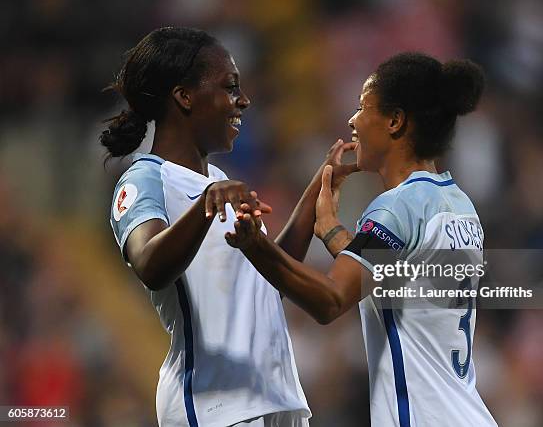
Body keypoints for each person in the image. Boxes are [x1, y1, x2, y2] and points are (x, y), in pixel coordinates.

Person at [101, 27, 357, 427]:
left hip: (275, 398)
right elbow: (149, 264)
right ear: (184, 96)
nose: (244, 100)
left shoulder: (216, 181)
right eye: (230, 86)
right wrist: (205, 206)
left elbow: (270, 278)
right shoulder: (146, 179)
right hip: (213, 406)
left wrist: (320, 182)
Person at [226, 52, 498, 426]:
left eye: (362, 107)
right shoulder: (458, 205)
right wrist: (334, 233)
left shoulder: (396, 207)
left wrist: (256, 246)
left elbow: (331, 300)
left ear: (395, 121)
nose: (353, 120)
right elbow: (400, 280)